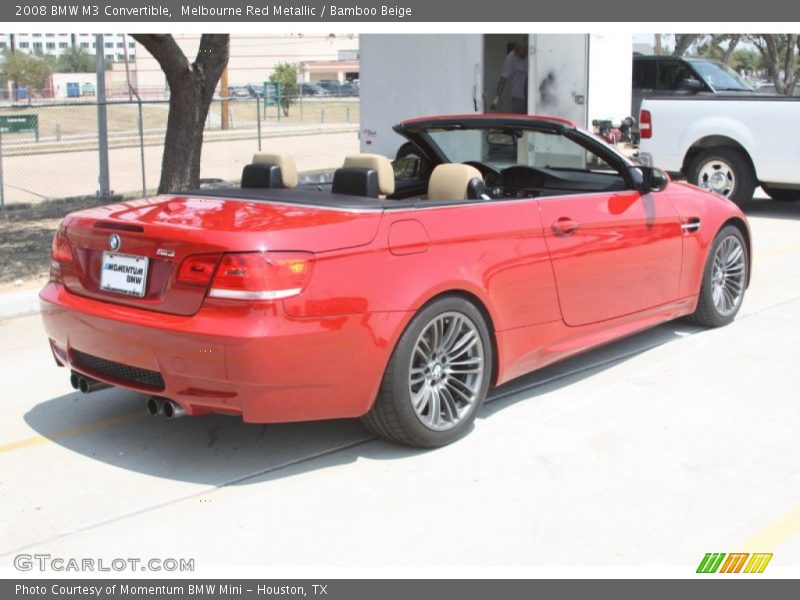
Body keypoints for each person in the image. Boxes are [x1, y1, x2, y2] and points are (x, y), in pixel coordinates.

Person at [491, 40, 528, 114]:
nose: (522, 54)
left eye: (524, 51)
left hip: (532, 93)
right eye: (520, 51)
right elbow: (503, 79)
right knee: (519, 118)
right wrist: (496, 99)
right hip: (518, 95)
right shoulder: (511, 57)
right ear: (516, 50)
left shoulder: (532, 55)